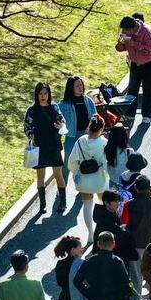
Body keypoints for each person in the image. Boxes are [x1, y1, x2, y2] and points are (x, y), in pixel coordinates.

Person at [23, 82, 66, 214]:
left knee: (58, 174)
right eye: (40, 94)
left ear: (49, 94)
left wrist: (60, 125)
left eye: (45, 93)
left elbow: (62, 121)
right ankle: (43, 205)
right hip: (39, 147)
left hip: (53, 145)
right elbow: (26, 127)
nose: (43, 96)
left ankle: (63, 202)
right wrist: (32, 136)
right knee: (40, 176)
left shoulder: (54, 107)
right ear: (36, 95)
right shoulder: (32, 110)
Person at [69, 116, 109, 245]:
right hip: (99, 179)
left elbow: (72, 161)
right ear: (102, 129)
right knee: (103, 205)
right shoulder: (104, 143)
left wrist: (76, 173)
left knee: (87, 205)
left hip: (84, 179)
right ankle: (102, 231)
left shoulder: (80, 141)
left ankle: (90, 233)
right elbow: (106, 163)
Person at [115, 15, 151, 124]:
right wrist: (121, 43)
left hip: (149, 63)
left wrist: (133, 43)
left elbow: (149, 50)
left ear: (132, 28)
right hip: (135, 63)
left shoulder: (146, 32)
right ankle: (130, 114)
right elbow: (119, 48)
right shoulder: (126, 33)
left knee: (147, 90)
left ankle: (147, 115)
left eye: (126, 30)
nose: (124, 32)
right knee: (132, 90)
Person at [127, 175, 151, 300]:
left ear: (136, 187)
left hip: (135, 245)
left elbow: (125, 223)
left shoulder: (130, 204)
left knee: (136, 278)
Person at [55, 76, 96, 186]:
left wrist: (92, 129)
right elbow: (56, 114)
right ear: (71, 88)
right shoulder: (64, 104)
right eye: (77, 85)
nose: (80, 87)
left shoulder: (88, 101)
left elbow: (95, 117)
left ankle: (83, 186)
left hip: (86, 136)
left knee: (85, 161)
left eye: (81, 84)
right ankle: (62, 187)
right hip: (71, 137)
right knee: (68, 163)